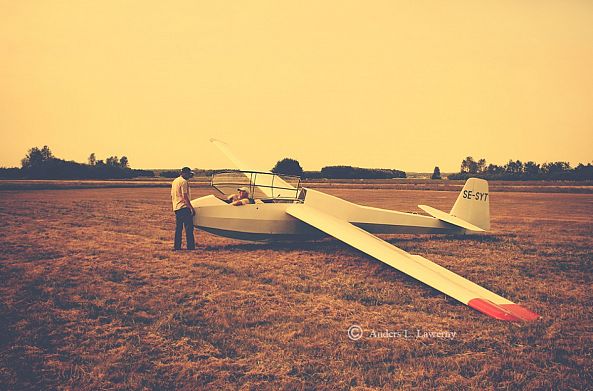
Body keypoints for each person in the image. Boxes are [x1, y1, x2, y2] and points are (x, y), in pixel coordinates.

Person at [171, 167, 196, 250]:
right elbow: (184, 196)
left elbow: (172, 195)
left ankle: (177, 247)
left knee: (178, 228)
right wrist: (191, 207)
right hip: (184, 207)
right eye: (189, 174)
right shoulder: (184, 182)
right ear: (184, 173)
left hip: (177, 207)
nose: (189, 176)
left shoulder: (175, 181)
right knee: (189, 228)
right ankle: (190, 247)